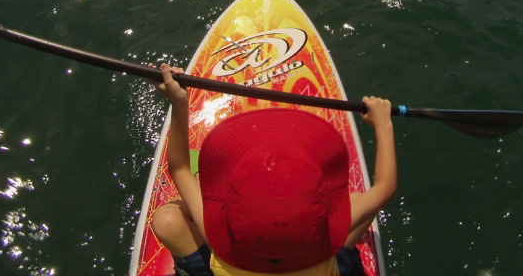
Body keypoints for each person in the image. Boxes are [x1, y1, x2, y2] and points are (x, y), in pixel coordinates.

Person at [151, 63, 397, 276]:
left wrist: (179, 102)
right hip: (324, 266)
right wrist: (383, 122)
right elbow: (385, 187)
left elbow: (182, 168)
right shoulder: (320, 244)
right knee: (354, 200)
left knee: (170, 216)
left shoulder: (217, 241)